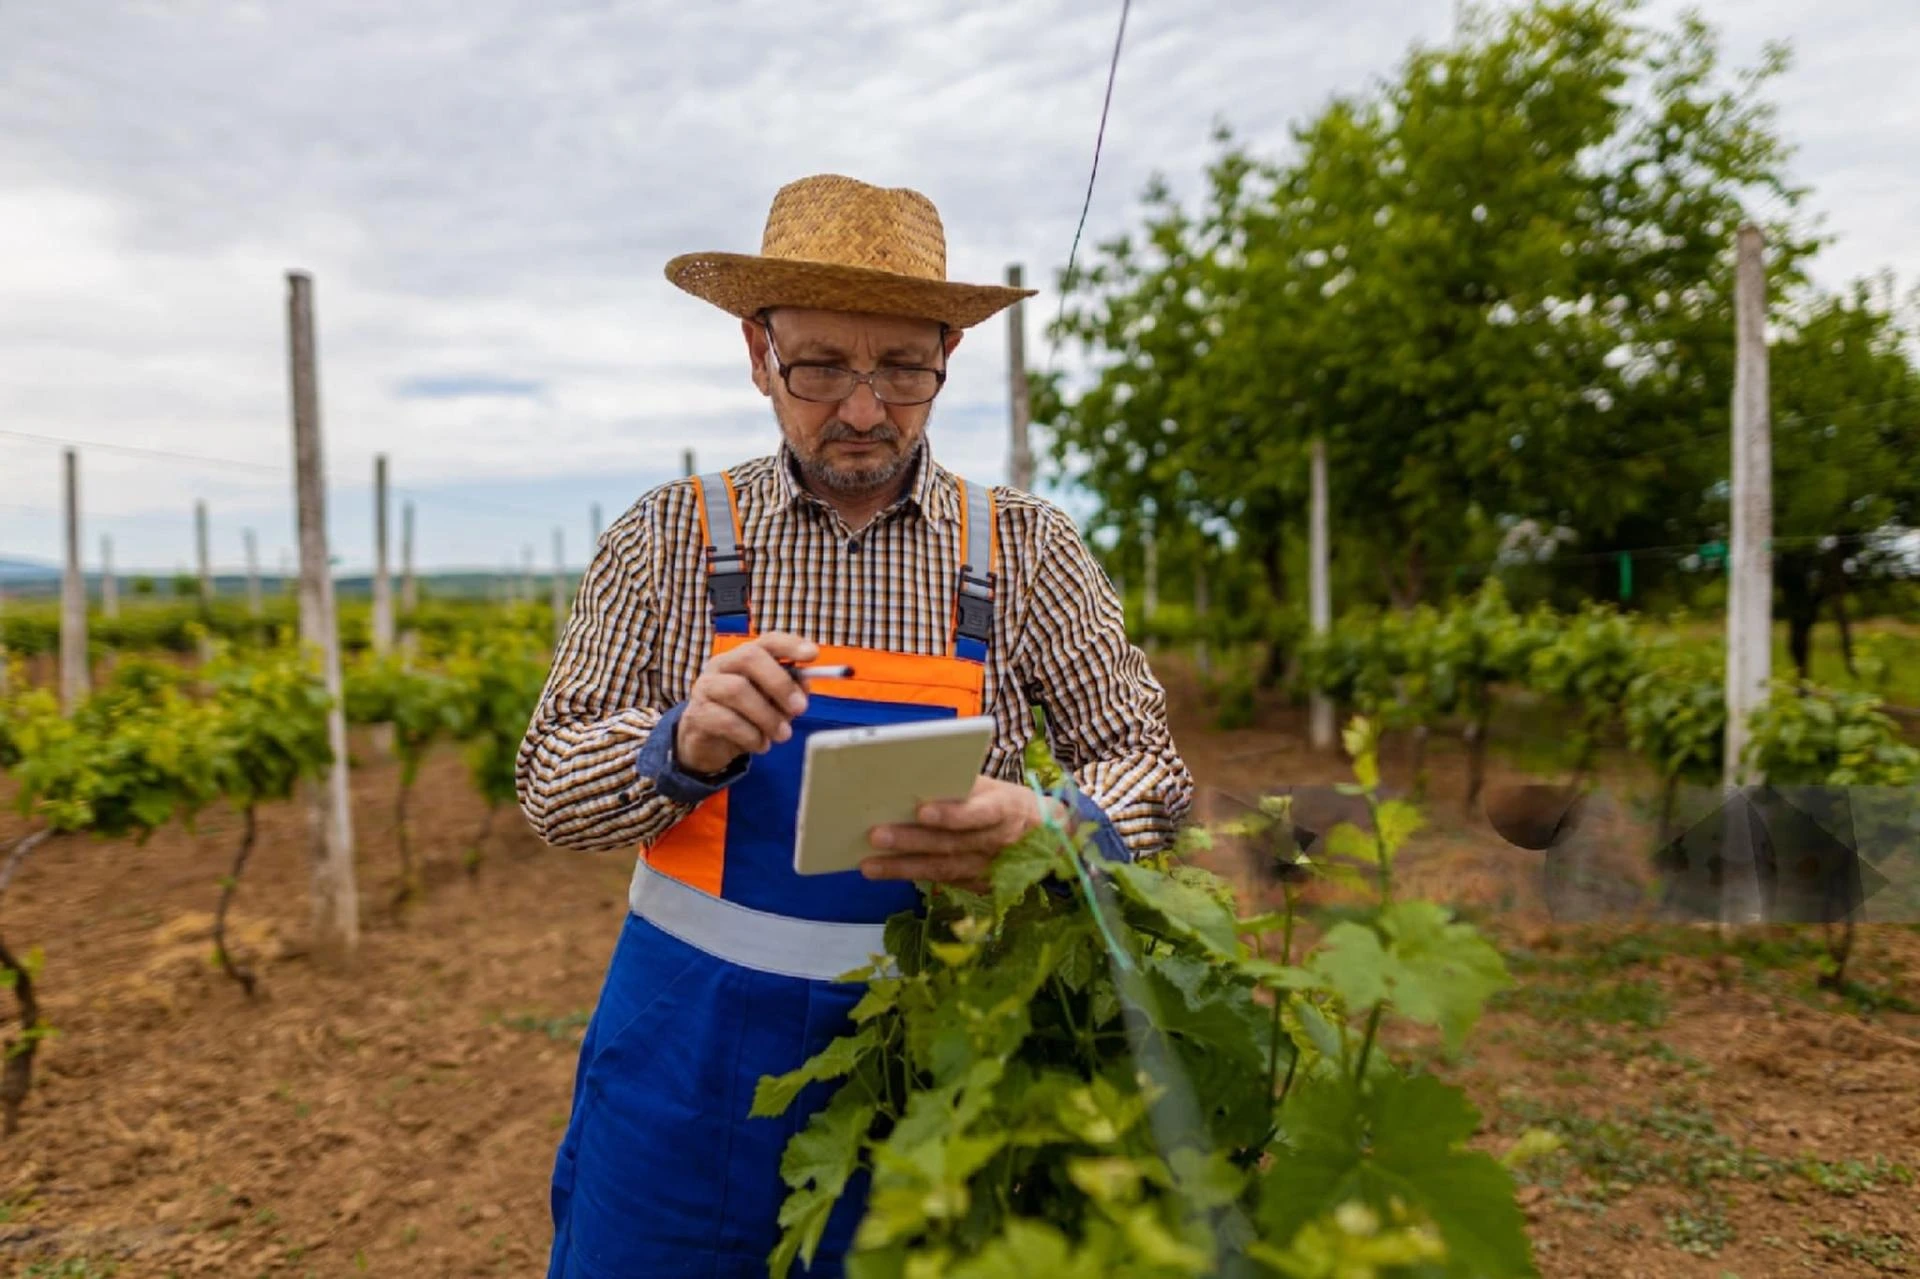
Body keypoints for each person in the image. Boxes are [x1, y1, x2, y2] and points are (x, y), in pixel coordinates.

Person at [516, 172, 1193, 1278]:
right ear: (756, 351)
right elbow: (550, 781)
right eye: (822, 366)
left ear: (947, 357)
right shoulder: (669, 538)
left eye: (903, 368)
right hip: (684, 1054)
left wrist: (1056, 823)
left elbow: (1150, 772)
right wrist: (678, 743)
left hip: (936, 1046)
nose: (866, 409)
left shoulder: (1026, 550)